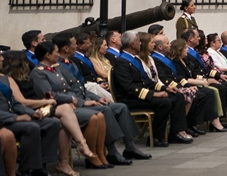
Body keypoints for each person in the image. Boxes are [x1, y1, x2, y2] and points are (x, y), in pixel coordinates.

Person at [34, 36, 148, 167]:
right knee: (105, 110)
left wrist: (97, 98)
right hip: (73, 105)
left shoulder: (70, 63)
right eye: (74, 44)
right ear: (65, 48)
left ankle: (130, 147)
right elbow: (61, 93)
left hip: (82, 100)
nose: (76, 46)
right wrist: (81, 102)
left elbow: (81, 88)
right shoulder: (56, 67)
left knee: (120, 107)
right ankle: (111, 151)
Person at [28, 43, 108, 171]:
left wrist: (75, 101)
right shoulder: (38, 73)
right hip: (56, 108)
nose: (58, 54)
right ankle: (90, 156)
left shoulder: (55, 69)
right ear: (48, 55)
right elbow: (48, 95)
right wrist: (70, 100)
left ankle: (99, 154)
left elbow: (68, 89)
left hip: (69, 105)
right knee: (93, 118)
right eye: (55, 52)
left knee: (100, 116)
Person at [109, 31, 191, 146]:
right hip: (131, 99)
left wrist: (165, 88)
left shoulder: (135, 60)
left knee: (177, 96)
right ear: (132, 44)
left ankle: (175, 132)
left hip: (141, 95)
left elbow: (147, 80)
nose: (140, 43)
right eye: (138, 41)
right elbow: (129, 88)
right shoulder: (121, 62)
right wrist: (154, 94)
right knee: (164, 102)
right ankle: (156, 137)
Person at [0, 52, 64, 176]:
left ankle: (40, 168)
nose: (2, 59)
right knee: (31, 127)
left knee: (52, 123)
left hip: (13, 116)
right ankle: (25, 171)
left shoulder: (4, 78)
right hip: (4, 120)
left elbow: (15, 103)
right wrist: (15, 117)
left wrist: (31, 113)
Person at [150, 35, 221, 135]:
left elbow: (179, 76)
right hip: (167, 87)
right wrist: (182, 87)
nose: (169, 45)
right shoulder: (157, 59)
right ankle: (181, 127)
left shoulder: (166, 58)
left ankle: (190, 125)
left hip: (176, 85)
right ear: (160, 47)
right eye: (167, 43)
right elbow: (164, 79)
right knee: (194, 95)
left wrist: (187, 85)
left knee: (201, 93)